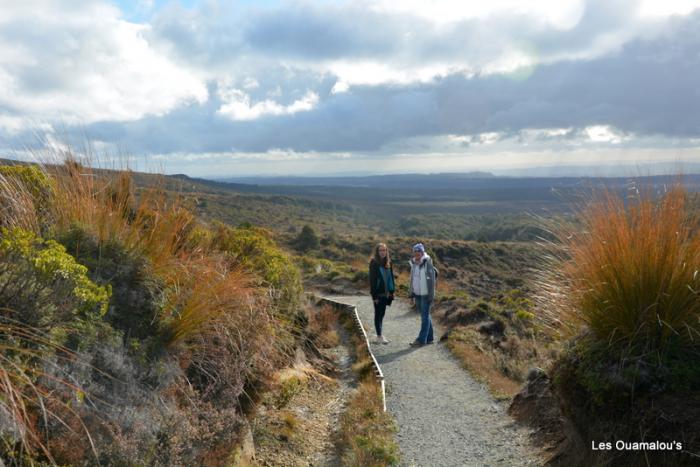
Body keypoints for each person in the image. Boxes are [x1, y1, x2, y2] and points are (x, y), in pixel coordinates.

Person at [408, 242, 436, 346]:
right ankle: (429, 338)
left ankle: (421, 340)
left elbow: (432, 281)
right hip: (417, 294)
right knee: (425, 315)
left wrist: (431, 295)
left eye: (418, 251)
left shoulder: (427, 262)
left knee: (424, 316)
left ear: (422, 252)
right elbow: (412, 279)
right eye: (415, 251)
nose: (416, 253)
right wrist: (411, 294)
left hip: (426, 294)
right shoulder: (413, 263)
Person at [368, 243, 395, 344]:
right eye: (380, 250)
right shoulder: (374, 263)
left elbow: (391, 278)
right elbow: (372, 280)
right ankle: (379, 336)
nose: (383, 252)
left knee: (382, 314)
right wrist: (374, 296)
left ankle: (379, 334)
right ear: (377, 252)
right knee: (378, 314)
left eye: (384, 250)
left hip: (386, 293)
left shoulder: (388, 262)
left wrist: (392, 292)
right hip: (378, 293)